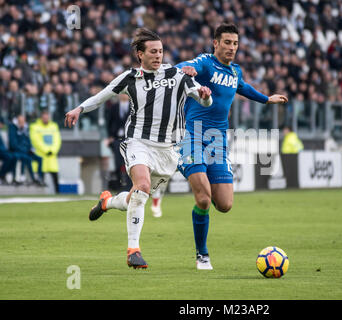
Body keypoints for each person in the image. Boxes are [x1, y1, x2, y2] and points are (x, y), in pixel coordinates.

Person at [64, 28, 213, 269]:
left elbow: (204, 98)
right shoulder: (129, 78)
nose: (158, 55)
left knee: (137, 198)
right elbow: (101, 96)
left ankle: (107, 202)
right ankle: (133, 250)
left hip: (168, 151)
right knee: (142, 187)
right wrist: (79, 109)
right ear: (139, 54)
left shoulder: (179, 74)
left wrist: (205, 95)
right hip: (138, 142)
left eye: (161, 51)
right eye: (153, 51)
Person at [176, 23, 288, 270]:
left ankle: (202, 205)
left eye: (235, 43)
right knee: (204, 198)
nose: (231, 47)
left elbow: (243, 88)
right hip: (192, 135)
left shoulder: (235, 71)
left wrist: (267, 99)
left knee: (224, 204)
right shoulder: (206, 62)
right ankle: (202, 254)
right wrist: (185, 70)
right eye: (227, 42)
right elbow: (186, 67)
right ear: (216, 43)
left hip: (218, 140)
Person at [30, 109, 61, 193]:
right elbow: (35, 141)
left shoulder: (54, 126)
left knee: (55, 178)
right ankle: (40, 194)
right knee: (41, 178)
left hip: (51, 157)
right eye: (44, 117)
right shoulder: (34, 126)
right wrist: (47, 150)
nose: (46, 119)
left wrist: (52, 150)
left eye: (47, 117)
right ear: (41, 118)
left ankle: (58, 194)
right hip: (41, 156)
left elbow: (57, 140)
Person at [8, 115, 45, 185]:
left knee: (40, 159)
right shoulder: (13, 128)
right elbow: (13, 144)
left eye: (23, 122)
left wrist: (31, 149)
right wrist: (25, 150)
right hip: (17, 151)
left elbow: (28, 141)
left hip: (26, 151)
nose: (22, 123)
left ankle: (40, 178)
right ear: (17, 122)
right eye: (20, 122)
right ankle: (29, 178)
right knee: (26, 158)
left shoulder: (26, 129)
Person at [0, 117, 17, 185]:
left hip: (4, 151)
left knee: (14, 157)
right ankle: (1, 175)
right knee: (9, 157)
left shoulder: (4, 132)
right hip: (2, 151)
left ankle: (4, 174)